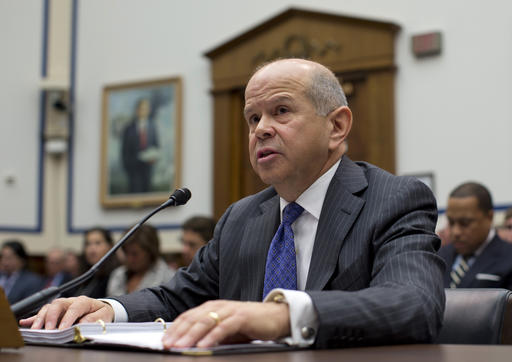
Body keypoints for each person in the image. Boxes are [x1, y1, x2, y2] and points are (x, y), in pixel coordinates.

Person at [21, 59, 445, 349]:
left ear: (337, 126)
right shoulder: (243, 216)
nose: (262, 129)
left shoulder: (393, 199)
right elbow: (179, 298)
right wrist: (107, 308)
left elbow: (414, 304)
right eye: (253, 119)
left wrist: (283, 315)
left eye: (281, 111)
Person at [438, 182, 512, 289]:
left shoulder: (508, 258)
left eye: (465, 223)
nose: (456, 232)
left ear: (489, 217)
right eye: (451, 222)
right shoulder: (439, 258)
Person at [107, 224, 175, 296]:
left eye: (135, 254)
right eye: (126, 252)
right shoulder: (118, 274)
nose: (129, 259)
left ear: (150, 252)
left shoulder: (168, 278)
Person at [64, 227, 120, 298]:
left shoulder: (117, 275)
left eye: (97, 243)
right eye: (88, 244)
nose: (91, 250)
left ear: (110, 246)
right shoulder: (84, 275)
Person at [121, 98, 159, 193]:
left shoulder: (152, 127)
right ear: (137, 110)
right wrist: (129, 167)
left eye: (146, 109)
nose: (144, 111)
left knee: (148, 191)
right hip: (134, 170)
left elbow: (156, 145)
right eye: (142, 109)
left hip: (148, 169)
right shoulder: (129, 128)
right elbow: (124, 151)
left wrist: (154, 156)